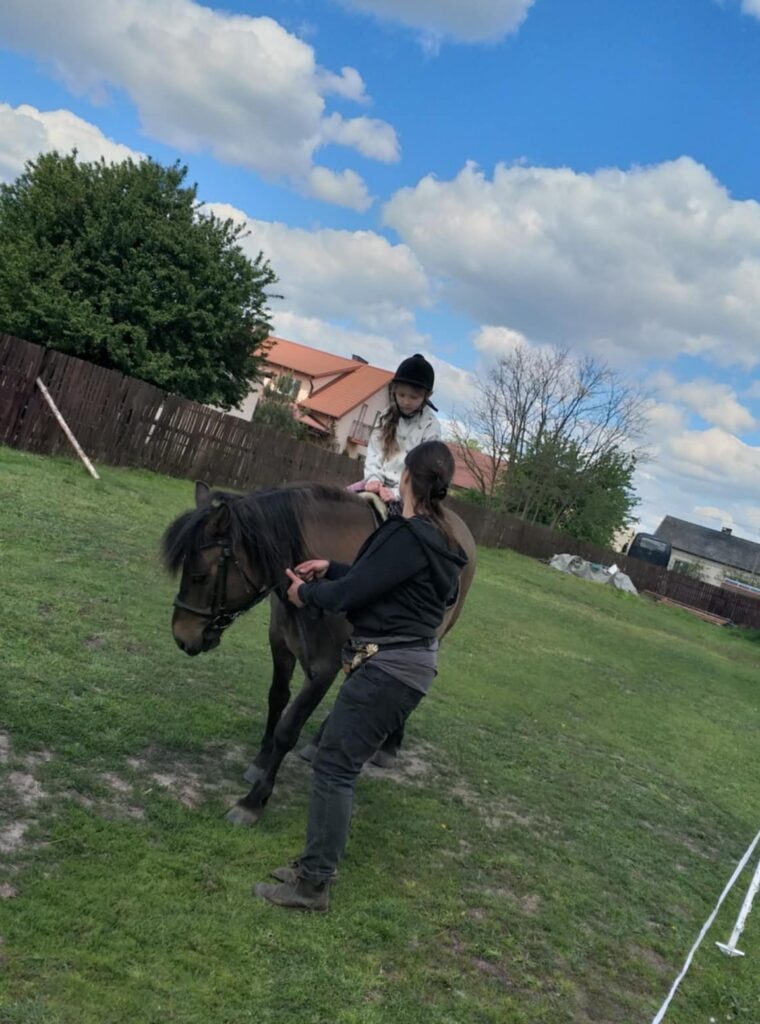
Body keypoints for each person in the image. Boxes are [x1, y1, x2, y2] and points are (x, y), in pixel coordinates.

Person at [254, 440, 468, 912]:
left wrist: (305, 595)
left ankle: (313, 885)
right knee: (337, 763)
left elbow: (351, 595)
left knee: (334, 767)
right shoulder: (437, 538)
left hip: (388, 669)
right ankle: (313, 866)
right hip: (408, 667)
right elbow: (382, 578)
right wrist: (332, 567)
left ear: (406, 477)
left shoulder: (405, 534)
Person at [350, 353, 441, 506]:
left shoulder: (431, 427)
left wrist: (398, 493)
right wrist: (373, 478)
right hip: (377, 483)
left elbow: (425, 471)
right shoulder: (386, 415)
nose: (406, 401)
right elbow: (375, 451)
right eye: (401, 395)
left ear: (428, 395)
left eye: (413, 397)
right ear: (394, 391)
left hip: (408, 493)